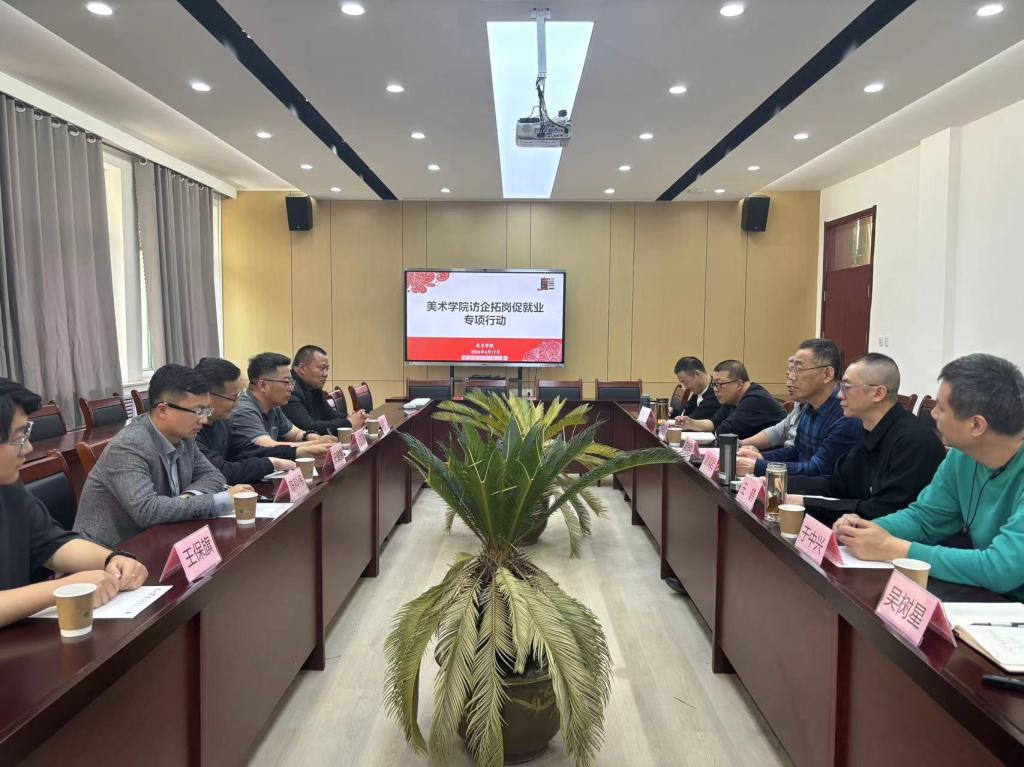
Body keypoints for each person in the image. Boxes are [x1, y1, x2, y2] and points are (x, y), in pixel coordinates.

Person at [835, 354, 1024, 599]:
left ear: (977, 425)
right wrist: (866, 529)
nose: (933, 414)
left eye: (941, 408)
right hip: (986, 595)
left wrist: (896, 549)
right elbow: (926, 518)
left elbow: (1000, 568)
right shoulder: (962, 456)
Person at [0, 378, 148, 628]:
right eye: (18, 438)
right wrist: (62, 589)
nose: (28, 448)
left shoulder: (9, 488)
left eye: (26, 434)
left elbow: (52, 543)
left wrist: (112, 559)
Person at [74, 365, 254, 548]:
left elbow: (213, 475)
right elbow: (148, 511)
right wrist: (220, 501)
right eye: (198, 411)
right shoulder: (129, 446)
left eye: (206, 411)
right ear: (163, 410)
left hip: (159, 538)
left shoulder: (185, 437)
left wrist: (186, 499)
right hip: (107, 552)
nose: (204, 420)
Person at [787, 353, 946, 526]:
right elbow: (837, 484)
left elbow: (882, 511)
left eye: (847, 387)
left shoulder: (914, 441)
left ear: (878, 393)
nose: (839, 395)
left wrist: (805, 503)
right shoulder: (869, 428)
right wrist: (781, 483)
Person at [736, 339, 861, 477]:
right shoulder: (808, 406)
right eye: (792, 370)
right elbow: (797, 452)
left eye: (799, 369)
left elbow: (817, 469)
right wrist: (760, 457)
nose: (791, 377)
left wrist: (758, 466)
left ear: (827, 374)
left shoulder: (845, 415)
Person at [194, 357, 297, 484]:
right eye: (233, 398)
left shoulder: (222, 422)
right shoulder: (191, 431)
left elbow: (246, 451)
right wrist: (271, 463)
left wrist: (294, 452)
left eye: (239, 396)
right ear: (208, 397)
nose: (237, 404)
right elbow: (220, 471)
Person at [228, 352, 334, 460]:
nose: (291, 388)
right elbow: (269, 447)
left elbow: (295, 434)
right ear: (263, 385)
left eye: (292, 382)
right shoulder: (243, 409)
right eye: (286, 382)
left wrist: (314, 437)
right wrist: (316, 444)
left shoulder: (273, 406)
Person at [676, 360, 787, 439]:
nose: (715, 389)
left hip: (776, 456)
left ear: (738, 384)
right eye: (714, 384)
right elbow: (714, 422)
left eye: (720, 384)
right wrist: (691, 423)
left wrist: (713, 429)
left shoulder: (755, 399)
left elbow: (723, 432)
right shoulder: (732, 398)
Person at [283, 345, 366, 435]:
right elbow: (308, 427)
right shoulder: (288, 390)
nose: (326, 374)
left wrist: (353, 417)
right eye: (322, 368)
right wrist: (348, 423)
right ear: (302, 368)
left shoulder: (313, 386)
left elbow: (329, 415)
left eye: (327, 369)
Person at [670, 356, 723, 420]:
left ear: (697, 374)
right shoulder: (700, 390)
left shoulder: (715, 392)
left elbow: (693, 419)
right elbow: (687, 409)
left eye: (685, 382)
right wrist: (672, 411)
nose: (685, 387)